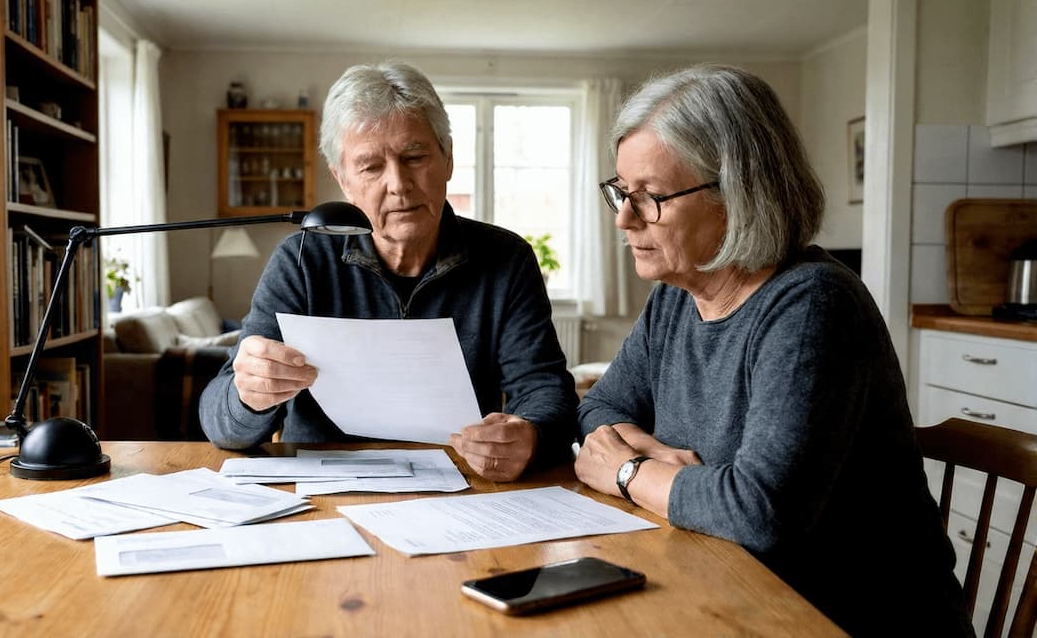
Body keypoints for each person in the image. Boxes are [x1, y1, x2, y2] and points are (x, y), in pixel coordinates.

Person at [573, 64, 972, 635]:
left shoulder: (812, 305)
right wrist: (653, 458)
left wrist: (631, 471)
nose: (624, 219)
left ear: (737, 193)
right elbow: (598, 408)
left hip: (845, 617)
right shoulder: (675, 299)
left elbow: (759, 512)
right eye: (622, 192)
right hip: (725, 587)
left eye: (651, 197)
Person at [199, 61, 578, 482]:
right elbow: (219, 421)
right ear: (343, 180)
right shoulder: (302, 260)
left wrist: (530, 434)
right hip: (325, 490)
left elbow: (547, 393)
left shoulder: (506, 259)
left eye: (414, 157)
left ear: (448, 159)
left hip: (463, 486)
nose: (398, 184)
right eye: (371, 167)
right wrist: (249, 396)